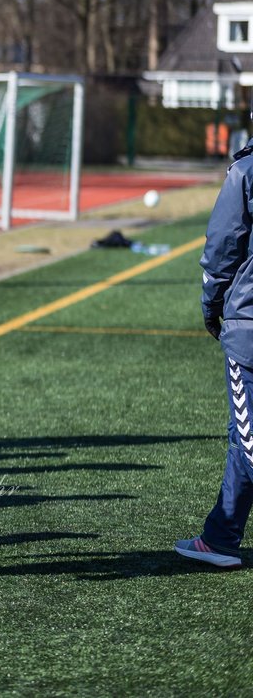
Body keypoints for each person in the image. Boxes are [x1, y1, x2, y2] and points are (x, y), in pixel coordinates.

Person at [176, 135, 253, 569]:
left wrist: (211, 308)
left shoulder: (245, 171)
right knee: (242, 434)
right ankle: (220, 537)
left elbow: (222, 250)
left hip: (249, 332)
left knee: (248, 438)